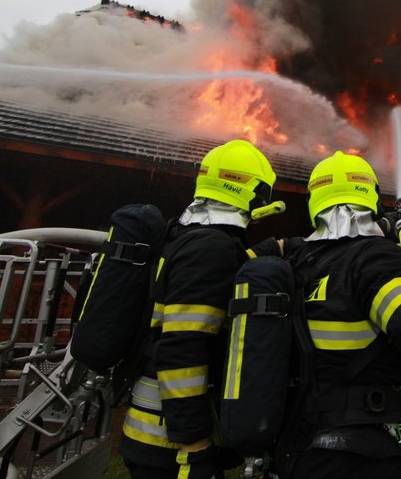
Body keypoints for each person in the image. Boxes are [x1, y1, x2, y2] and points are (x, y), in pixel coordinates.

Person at [278, 150, 401, 479]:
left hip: (298, 448)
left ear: (315, 201)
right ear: (371, 198)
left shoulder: (295, 265)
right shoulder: (373, 258)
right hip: (365, 451)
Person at [119, 139, 280, 479]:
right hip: (171, 444)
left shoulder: (184, 235)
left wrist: (258, 253)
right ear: (253, 193)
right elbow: (182, 348)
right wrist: (194, 445)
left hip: (153, 430)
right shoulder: (211, 250)